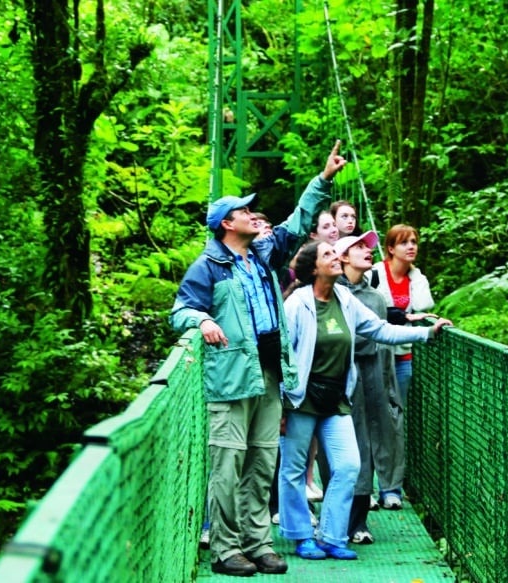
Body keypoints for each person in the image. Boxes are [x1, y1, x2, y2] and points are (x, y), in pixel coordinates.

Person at [171, 142, 347, 577]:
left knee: (262, 461)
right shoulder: (208, 266)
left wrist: (323, 179)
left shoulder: (264, 256)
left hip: (269, 374)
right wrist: (200, 320)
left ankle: (257, 542)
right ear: (227, 224)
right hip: (231, 377)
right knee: (228, 464)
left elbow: (298, 222)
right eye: (246, 213)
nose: (255, 216)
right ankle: (226, 548)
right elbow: (179, 311)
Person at [279, 240, 452, 561]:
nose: (335, 258)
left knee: (348, 466)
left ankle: (332, 535)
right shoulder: (296, 304)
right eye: (328, 254)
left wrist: (426, 333)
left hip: (336, 399)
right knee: (292, 469)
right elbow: (283, 355)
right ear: (313, 268)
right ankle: (302, 535)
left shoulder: (345, 298)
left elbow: (380, 329)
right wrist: (281, 405)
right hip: (302, 400)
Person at [334, 231, 405, 543]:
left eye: (368, 247)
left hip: (371, 375)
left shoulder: (376, 298)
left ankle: (359, 522)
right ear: (343, 257)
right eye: (358, 247)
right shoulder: (329, 292)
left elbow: (379, 339)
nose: (367, 252)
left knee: (367, 443)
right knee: (338, 448)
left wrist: (388, 387)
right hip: (335, 378)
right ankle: (335, 519)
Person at [370, 223, 437, 510]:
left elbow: (424, 305)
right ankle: (366, 487)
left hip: (403, 357)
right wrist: (402, 315)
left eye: (414, 242)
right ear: (390, 248)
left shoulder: (415, 278)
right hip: (376, 356)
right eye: (404, 243)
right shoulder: (374, 273)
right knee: (370, 419)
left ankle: (391, 487)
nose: (411, 247)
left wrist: (415, 276)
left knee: (395, 421)